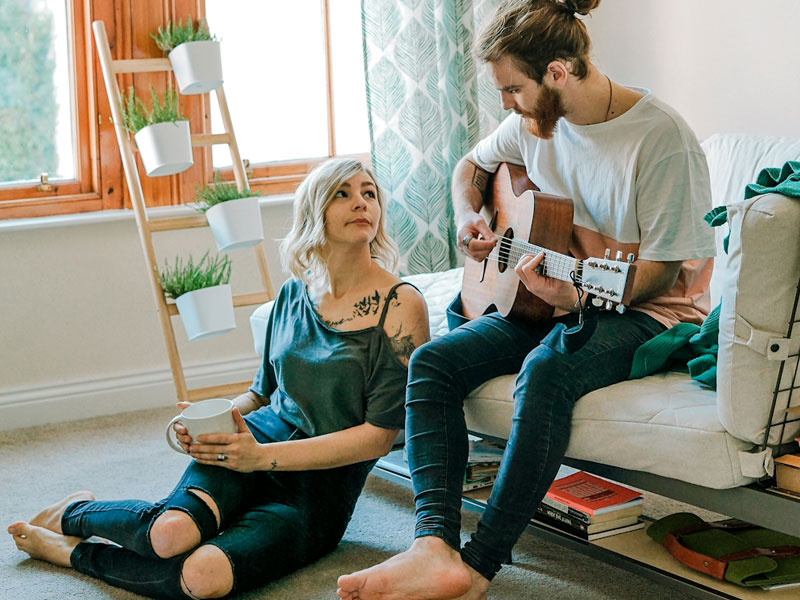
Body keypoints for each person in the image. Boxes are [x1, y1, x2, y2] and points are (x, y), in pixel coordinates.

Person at [337, 0, 716, 599]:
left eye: (513, 89)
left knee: (544, 373)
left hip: (646, 312)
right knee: (433, 362)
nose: (505, 104)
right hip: (548, 299)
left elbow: (660, 275)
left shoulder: (660, 139)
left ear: (559, 74)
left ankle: (478, 566)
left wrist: (577, 289)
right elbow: (470, 165)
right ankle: (433, 544)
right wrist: (469, 217)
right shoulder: (534, 124)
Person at [7, 158, 430, 600]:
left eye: (369, 193)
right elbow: (260, 393)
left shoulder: (400, 305)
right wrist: (211, 419)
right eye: (342, 193)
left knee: (202, 577)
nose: (361, 202)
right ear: (315, 212)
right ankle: (76, 511)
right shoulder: (292, 292)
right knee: (169, 536)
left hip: (316, 489)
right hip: (249, 444)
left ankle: (69, 553)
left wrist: (260, 458)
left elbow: (379, 437)